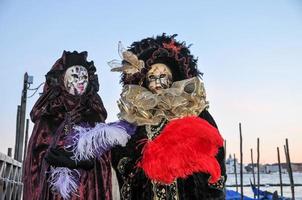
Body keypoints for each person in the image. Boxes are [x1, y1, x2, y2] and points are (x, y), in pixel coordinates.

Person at [110, 34, 226, 200]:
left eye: (163, 75)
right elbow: (122, 160)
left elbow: (215, 156)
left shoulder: (193, 112)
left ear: (174, 78)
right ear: (144, 81)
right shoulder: (135, 119)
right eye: (152, 76)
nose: (157, 81)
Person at [23, 51, 112, 200]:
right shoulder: (49, 115)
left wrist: (87, 160)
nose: (81, 81)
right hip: (54, 191)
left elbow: (105, 156)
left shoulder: (94, 114)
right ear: (62, 79)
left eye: (85, 77)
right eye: (75, 76)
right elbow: (35, 158)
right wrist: (50, 155)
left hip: (86, 189)